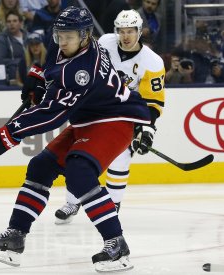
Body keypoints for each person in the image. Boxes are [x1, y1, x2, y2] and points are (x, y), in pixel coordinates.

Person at [0, 6, 151, 273]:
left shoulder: (82, 71)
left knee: (79, 171)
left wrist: (6, 135)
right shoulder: (64, 42)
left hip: (115, 120)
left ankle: (117, 245)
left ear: (85, 35)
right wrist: (38, 78)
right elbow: (50, 65)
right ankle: (15, 237)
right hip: (88, 118)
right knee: (40, 167)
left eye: (69, 36)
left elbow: (52, 117)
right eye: (60, 34)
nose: (63, 40)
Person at [54, 9, 165, 224]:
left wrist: (147, 129)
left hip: (125, 114)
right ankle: (72, 201)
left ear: (139, 31)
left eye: (130, 31)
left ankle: (113, 204)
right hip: (94, 107)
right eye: (121, 31)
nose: (125, 36)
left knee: (121, 158)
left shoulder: (152, 62)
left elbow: (154, 101)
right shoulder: (104, 42)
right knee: (78, 155)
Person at [0, 10, 27, 84]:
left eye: (15, 21)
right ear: (6, 24)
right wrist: (21, 62)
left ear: (21, 23)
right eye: (9, 21)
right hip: (12, 74)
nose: (11, 24)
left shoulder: (29, 37)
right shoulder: (1, 39)